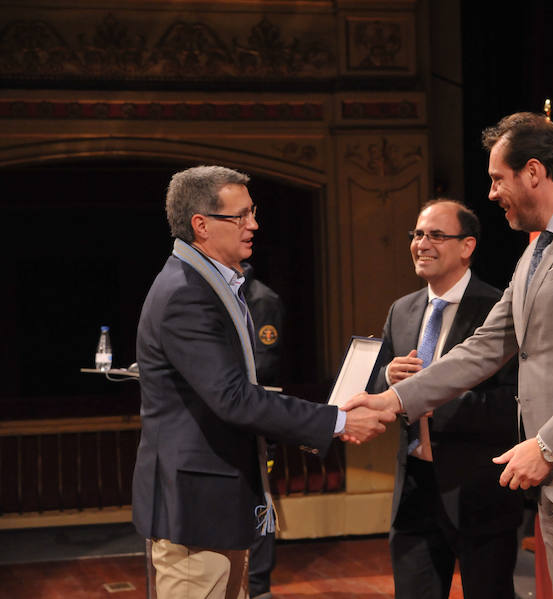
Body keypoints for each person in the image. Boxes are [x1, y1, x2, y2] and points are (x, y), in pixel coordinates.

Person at [346, 113, 553, 599]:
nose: (492, 193)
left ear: (533, 172)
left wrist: (545, 445)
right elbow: (484, 346)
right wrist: (393, 401)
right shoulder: (537, 251)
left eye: (498, 179)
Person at [132, 165, 392, 599]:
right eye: (240, 216)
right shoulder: (186, 294)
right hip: (195, 513)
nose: (254, 225)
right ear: (201, 225)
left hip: (214, 509)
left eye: (253, 212)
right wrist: (339, 422)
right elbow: (233, 399)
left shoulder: (211, 286)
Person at [368, 199, 522, 599]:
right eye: (417, 234)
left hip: (480, 491)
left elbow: (517, 404)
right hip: (414, 490)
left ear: (467, 246)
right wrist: (388, 377)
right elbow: (370, 387)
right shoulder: (401, 310)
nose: (422, 243)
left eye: (436, 235)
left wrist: (432, 398)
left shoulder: (499, 309)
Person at [241, 261, 284, 599]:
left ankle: (259, 587)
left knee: (260, 500)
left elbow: (264, 362)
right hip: (232, 417)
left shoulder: (261, 299)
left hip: (256, 416)